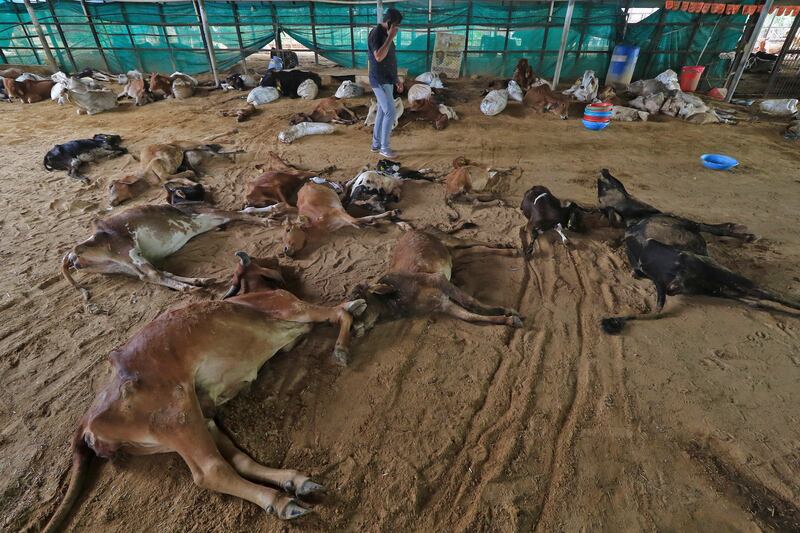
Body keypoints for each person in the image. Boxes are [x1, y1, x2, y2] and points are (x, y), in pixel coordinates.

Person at [367, 8, 403, 158]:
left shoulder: (386, 34)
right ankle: (384, 147)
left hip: (387, 79)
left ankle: (376, 145)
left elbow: (390, 59)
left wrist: (396, 79)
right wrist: (390, 37)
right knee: (390, 111)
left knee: (383, 111)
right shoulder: (377, 33)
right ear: (389, 22)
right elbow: (379, 57)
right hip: (379, 79)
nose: (397, 29)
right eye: (396, 25)